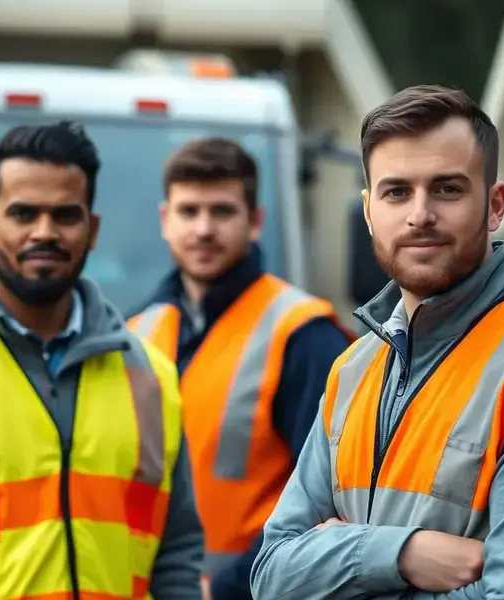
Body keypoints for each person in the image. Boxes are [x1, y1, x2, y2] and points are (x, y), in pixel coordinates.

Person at [249, 85, 504, 599]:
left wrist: (334, 564)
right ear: (369, 211)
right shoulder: (354, 368)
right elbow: (269, 576)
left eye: (447, 189)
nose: (420, 214)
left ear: (495, 205)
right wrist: (400, 554)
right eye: (397, 192)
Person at [0, 121, 203, 599]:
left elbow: (176, 551)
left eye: (65, 215)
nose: (44, 232)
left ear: (92, 228)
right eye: (23, 214)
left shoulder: (149, 374)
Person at [127, 137, 352, 599]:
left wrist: (227, 589)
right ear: (165, 221)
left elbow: (328, 497)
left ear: (255, 222)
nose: (204, 229)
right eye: (189, 211)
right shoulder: (137, 333)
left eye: (222, 211)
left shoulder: (302, 335)